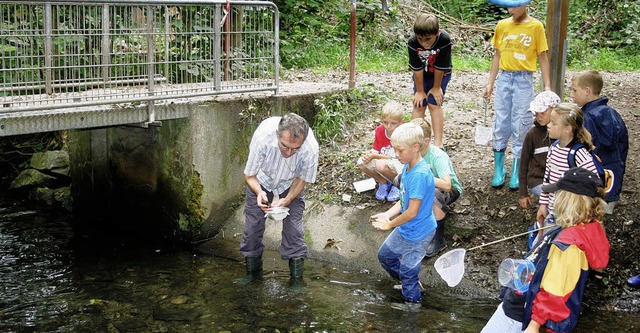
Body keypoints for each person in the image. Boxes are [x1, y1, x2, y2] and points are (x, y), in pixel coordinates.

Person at [482, 167, 610, 333]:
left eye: (557, 194)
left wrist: (534, 325)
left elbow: (555, 290)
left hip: (519, 315)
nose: (553, 199)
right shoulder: (584, 229)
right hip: (523, 309)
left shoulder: (569, 245)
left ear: (567, 200)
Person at [237, 113, 319, 285]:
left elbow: (301, 179)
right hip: (261, 179)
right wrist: (259, 192)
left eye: (295, 148)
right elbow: (250, 175)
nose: (289, 153)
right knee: (253, 225)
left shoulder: (310, 149)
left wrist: (287, 200)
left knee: (294, 229)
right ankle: (252, 275)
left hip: (291, 182)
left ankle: (297, 280)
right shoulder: (263, 139)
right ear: (277, 135)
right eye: (285, 146)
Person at [482, 2, 551, 191]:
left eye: (514, 6)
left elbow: (543, 55)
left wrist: (547, 85)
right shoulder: (502, 25)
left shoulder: (536, 26)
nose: (510, 10)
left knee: (521, 122)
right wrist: (490, 82)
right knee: (501, 120)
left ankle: (517, 170)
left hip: (523, 79)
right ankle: (499, 168)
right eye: (508, 6)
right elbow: (497, 55)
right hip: (504, 77)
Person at [370, 122, 436, 311]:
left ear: (416, 148)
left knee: (408, 269)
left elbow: (412, 211)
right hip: (407, 227)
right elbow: (403, 200)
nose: (396, 155)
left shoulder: (420, 174)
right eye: (394, 150)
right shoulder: (407, 168)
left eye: (399, 150)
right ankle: (410, 282)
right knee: (385, 256)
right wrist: (387, 213)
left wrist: (389, 224)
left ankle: (412, 306)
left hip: (420, 231)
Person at [570, 70, 629, 214]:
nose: (571, 94)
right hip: (613, 179)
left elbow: (585, 149)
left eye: (574, 90)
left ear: (587, 91)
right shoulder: (612, 113)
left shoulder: (588, 118)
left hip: (597, 183)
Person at [536, 103, 597, 231]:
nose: (549, 125)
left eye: (553, 123)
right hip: (552, 213)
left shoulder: (578, 154)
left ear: (568, 129)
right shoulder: (553, 149)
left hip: (571, 218)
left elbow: (594, 182)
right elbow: (547, 179)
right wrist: (543, 204)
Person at [412, 118, 462, 257]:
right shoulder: (411, 154)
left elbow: (447, 185)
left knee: (433, 194)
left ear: (426, 141)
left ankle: (438, 238)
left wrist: (425, 177)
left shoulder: (436, 156)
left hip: (448, 190)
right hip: (425, 188)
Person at [407, 13, 452, 149]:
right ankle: (413, 141)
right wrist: (420, 91)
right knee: (419, 104)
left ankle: (438, 144)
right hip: (422, 75)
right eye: (420, 39)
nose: (424, 43)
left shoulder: (444, 40)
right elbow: (417, 68)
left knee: (434, 103)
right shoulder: (412, 42)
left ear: (437, 33)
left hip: (440, 75)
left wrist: (437, 87)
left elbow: (440, 67)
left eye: (428, 39)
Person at [518, 91, 560, 209]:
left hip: (559, 180)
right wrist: (523, 193)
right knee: (556, 200)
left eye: (543, 112)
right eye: (536, 113)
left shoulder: (563, 131)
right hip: (538, 180)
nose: (538, 116)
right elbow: (524, 164)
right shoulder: (532, 134)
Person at [357, 101, 405, 202]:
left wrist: (374, 156)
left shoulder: (402, 134)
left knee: (381, 165)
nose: (388, 126)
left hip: (398, 163)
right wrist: (369, 154)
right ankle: (383, 182)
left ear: (401, 122)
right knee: (361, 162)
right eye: (385, 122)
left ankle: (397, 185)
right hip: (382, 159)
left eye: (393, 123)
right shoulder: (380, 130)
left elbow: (396, 157)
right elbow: (376, 148)